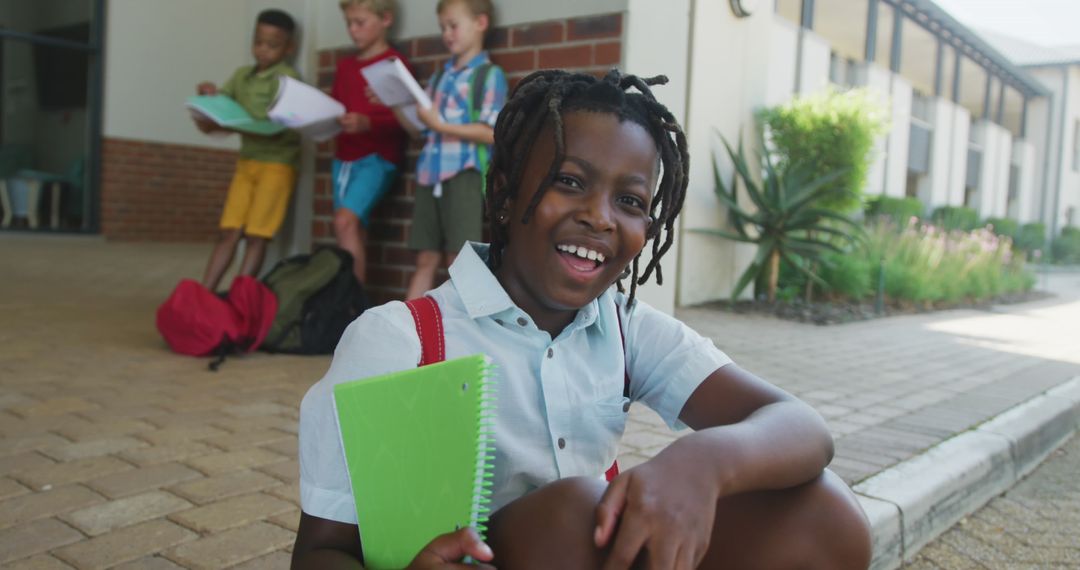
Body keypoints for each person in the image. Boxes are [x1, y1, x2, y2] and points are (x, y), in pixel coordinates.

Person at [292, 68, 874, 569]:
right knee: (574, 511)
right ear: (503, 192)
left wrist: (704, 464)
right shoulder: (400, 340)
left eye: (631, 201)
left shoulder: (624, 327)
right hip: (525, 549)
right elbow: (318, 552)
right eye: (569, 182)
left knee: (827, 511)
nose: (600, 218)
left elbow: (801, 427)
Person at [398, 0, 508, 300]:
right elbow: (421, 129)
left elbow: (491, 133)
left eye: (453, 25)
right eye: (442, 27)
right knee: (425, 258)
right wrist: (395, 102)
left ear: (480, 23)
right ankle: (405, 334)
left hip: (464, 176)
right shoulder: (440, 77)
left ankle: (464, 335)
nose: (447, 33)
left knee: (459, 261)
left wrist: (440, 125)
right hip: (429, 177)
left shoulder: (488, 75)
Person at [194, 9, 301, 292]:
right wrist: (207, 99)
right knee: (229, 230)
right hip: (247, 163)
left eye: (273, 44)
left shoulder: (288, 79)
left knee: (257, 236)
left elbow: (278, 126)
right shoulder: (242, 76)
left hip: (277, 165)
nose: (263, 50)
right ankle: (204, 294)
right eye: (258, 42)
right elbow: (223, 107)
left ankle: (239, 297)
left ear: (288, 48)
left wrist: (236, 126)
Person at [331, 0, 411, 284]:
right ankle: (350, 305)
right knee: (351, 229)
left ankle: (350, 307)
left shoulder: (394, 64)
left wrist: (369, 122)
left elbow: (407, 119)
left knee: (345, 221)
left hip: (377, 158)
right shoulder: (345, 66)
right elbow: (336, 107)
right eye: (349, 23)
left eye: (360, 23)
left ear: (385, 19)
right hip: (343, 159)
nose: (353, 30)